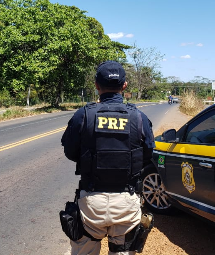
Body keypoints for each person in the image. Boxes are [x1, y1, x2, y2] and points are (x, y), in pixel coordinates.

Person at [61, 60, 155, 255]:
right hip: (126, 202)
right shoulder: (138, 117)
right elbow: (147, 154)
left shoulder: (83, 115)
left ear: (96, 85)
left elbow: (70, 152)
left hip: (91, 203)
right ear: (124, 86)